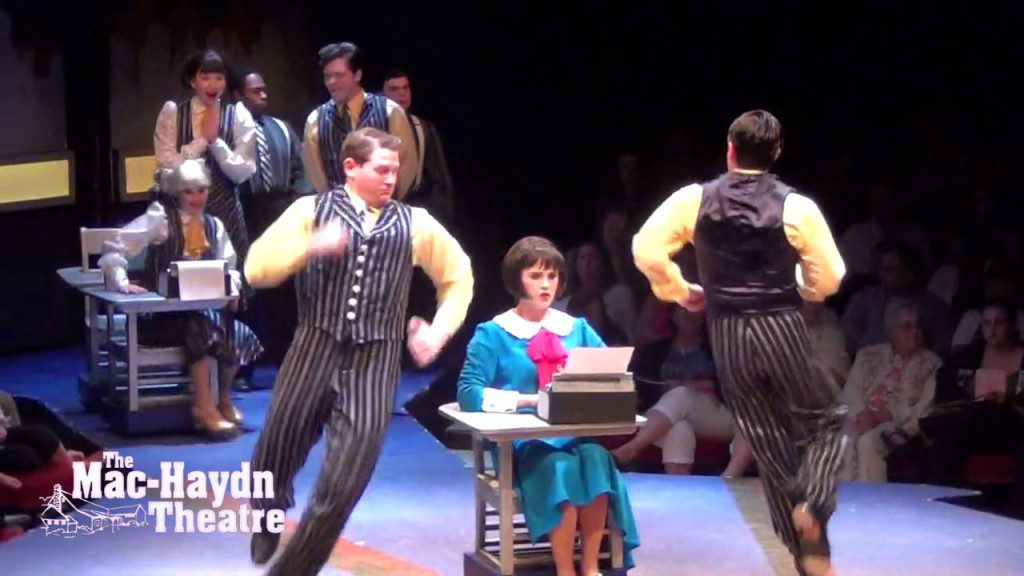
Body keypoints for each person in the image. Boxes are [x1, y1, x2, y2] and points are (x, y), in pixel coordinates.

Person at [245, 128, 473, 575]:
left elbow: (458, 276)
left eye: (395, 171)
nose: (391, 179)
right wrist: (310, 247)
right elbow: (256, 269)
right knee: (273, 454)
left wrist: (438, 332)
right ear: (351, 167)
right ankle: (267, 510)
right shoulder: (310, 210)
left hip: (375, 360)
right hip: (314, 347)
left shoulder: (416, 223)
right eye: (382, 170)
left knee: (344, 484)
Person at [632, 110, 846, 576]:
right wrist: (805, 288)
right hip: (778, 324)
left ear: (730, 149)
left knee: (770, 447)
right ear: (776, 154)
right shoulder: (796, 206)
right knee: (828, 419)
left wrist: (678, 290)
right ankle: (812, 505)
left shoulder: (694, 199)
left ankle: (809, 560)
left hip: (726, 332)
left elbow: (645, 248)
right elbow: (830, 276)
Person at [457, 236, 639, 576]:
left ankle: (590, 567)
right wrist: (529, 400)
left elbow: (610, 371)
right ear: (517, 280)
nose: (546, 284)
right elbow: (468, 393)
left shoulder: (575, 328)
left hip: (571, 434)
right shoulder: (493, 333)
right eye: (536, 276)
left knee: (597, 458)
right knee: (560, 466)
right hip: (522, 442)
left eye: (552, 276)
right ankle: (564, 570)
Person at [99, 159, 262, 439]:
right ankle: (203, 407)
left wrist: (232, 288)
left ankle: (222, 398)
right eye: (189, 192)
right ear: (177, 194)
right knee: (201, 329)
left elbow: (229, 266)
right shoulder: (160, 220)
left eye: (201, 190)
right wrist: (123, 283)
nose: (196, 198)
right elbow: (114, 246)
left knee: (238, 333)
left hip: (202, 315)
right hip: (159, 318)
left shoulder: (214, 226)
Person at [236, 70, 312, 367]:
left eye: (264, 90)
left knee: (285, 288)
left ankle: (287, 358)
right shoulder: (230, 131)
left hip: (281, 211)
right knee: (250, 288)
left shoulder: (281, 128)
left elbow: (300, 170)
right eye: (255, 91)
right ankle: (247, 363)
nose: (263, 96)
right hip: (247, 212)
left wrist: (297, 204)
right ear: (239, 96)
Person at [154, 49, 256, 262]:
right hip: (179, 216)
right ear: (193, 81)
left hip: (227, 215)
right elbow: (165, 167)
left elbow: (243, 172)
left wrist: (215, 143)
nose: (213, 85)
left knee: (230, 275)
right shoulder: (173, 114)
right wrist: (200, 143)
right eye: (205, 77)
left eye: (219, 78)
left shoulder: (238, 114)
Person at [841, 303, 940, 482]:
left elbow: (925, 409)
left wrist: (886, 416)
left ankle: (871, 498)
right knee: (841, 441)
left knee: (868, 442)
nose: (915, 332)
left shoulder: (932, 363)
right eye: (907, 326)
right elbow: (850, 393)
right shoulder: (867, 355)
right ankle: (843, 499)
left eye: (918, 327)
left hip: (899, 427)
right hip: (861, 420)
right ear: (892, 331)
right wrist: (863, 417)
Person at [303, 42, 417, 198]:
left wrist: (389, 200)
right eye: (327, 76)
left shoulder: (389, 111)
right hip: (338, 208)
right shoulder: (316, 120)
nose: (331, 82)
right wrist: (334, 204)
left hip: (384, 206)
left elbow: (407, 164)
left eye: (339, 75)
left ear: (357, 75)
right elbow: (315, 174)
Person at [381, 68, 455, 225]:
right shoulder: (372, 127)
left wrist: (439, 217)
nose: (402, 94)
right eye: (394, 89)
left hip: (414, 208)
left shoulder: (423, 128)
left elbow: (438, 177)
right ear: (383, 93)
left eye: (405, 88)